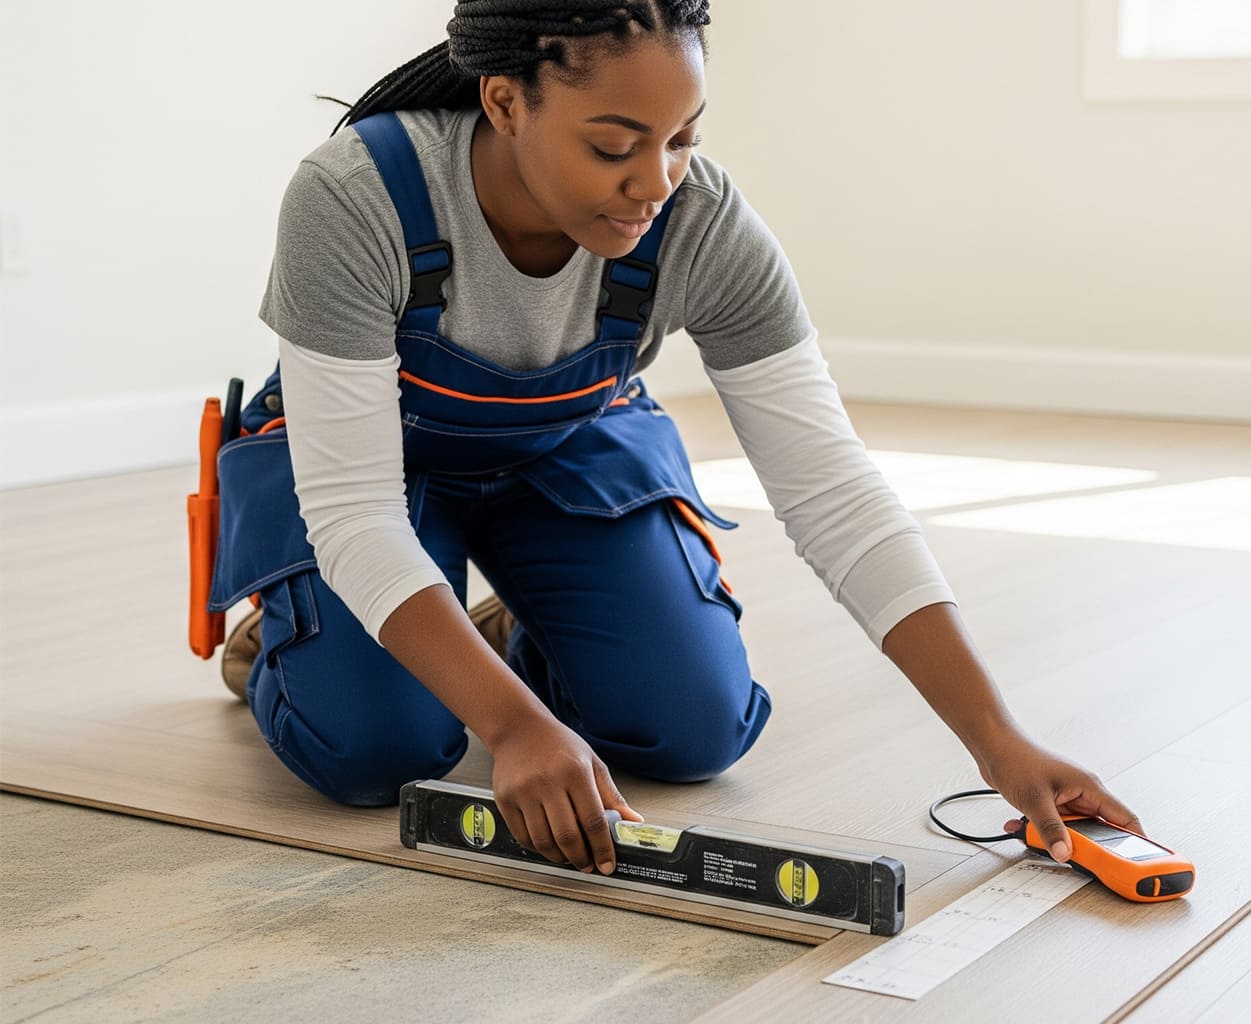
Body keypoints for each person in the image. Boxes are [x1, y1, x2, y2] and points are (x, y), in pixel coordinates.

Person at [211, 0, 1142, 878]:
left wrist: (998, 740)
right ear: (505, 101)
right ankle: (289, 635)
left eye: (682, 139)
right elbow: (355, 510)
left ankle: (491, 633)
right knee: (376, 754)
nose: (655, 182)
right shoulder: (352, 196)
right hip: (375, 482)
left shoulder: (702, 222)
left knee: (696, 731)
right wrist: (517, 729)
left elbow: (834, 494)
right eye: (615, 145)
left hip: (559, 456)